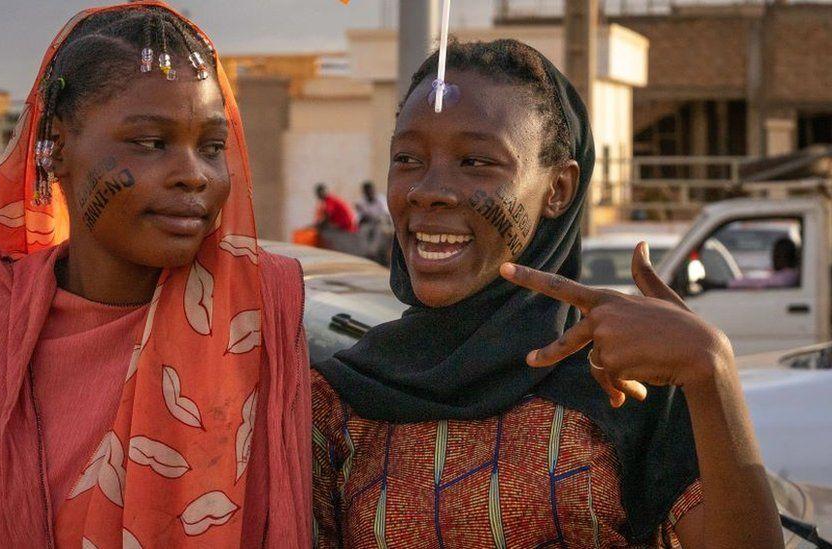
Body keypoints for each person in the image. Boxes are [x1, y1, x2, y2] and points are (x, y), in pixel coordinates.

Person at [0, 4, 311, 547]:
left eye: (213, 147)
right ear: (56, 144)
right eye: (150, 143)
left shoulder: (253, 321)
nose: (194, 175)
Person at [312, 39, 782, 547]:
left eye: (476, 162)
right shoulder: (337, 401)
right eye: (407, 157)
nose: (429, 189)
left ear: (557, 189)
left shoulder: (624, 378)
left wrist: (711, 372)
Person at [728, 237, 800, 289]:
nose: (773, 259)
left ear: (788, 257)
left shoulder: (789, 276)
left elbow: (762, 283)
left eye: (777, 256)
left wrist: (731, 284)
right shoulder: (787, 274)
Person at [354, 180, 393, 265]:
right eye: (367, 191)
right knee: (363, 231)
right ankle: (366, 253)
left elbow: (385, 214)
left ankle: (372, 252)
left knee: (379, 231)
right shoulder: (361, 202)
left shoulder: (380, 199)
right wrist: (364, 217)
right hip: (369, 224)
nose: (369, 192)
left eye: (370, 190)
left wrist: (372, 216)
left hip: (381, 223)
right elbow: (358, 218)